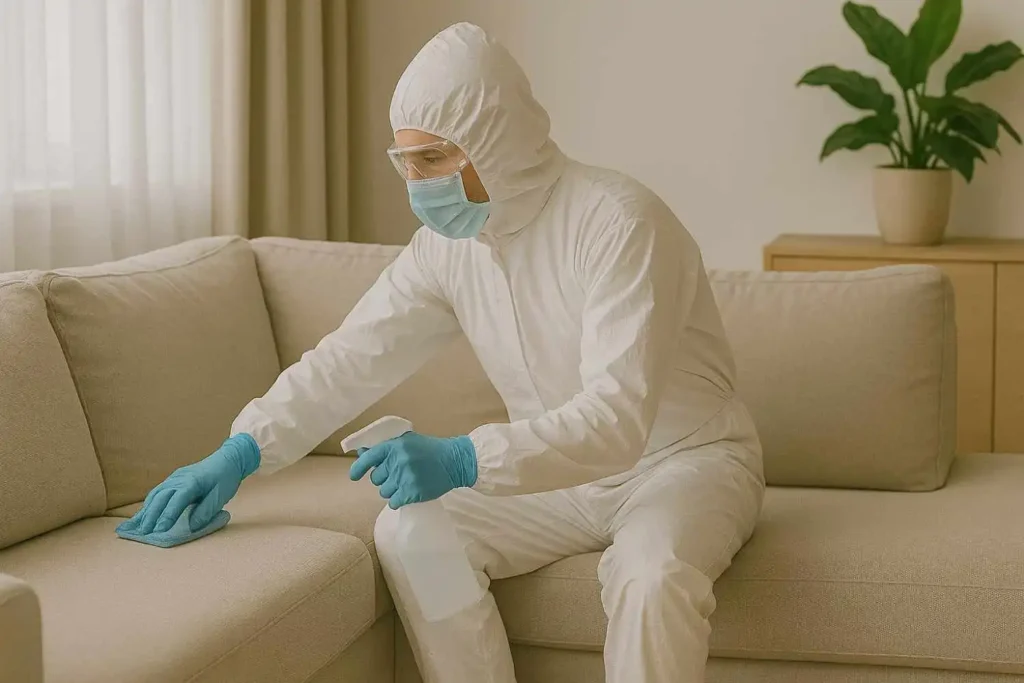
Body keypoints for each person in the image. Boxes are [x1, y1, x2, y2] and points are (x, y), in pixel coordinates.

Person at [122, 22, 765, 683]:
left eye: (432, 160)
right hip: (561, 479)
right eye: (405, 162)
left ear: (496, 143)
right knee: (408, 532)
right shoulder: (449, 249)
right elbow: (351, 357)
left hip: (681, 465)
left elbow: (615, 421)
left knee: (652, 576)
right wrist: (241, 451)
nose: (416, 184)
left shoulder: (620, 223)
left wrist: (463, 457)